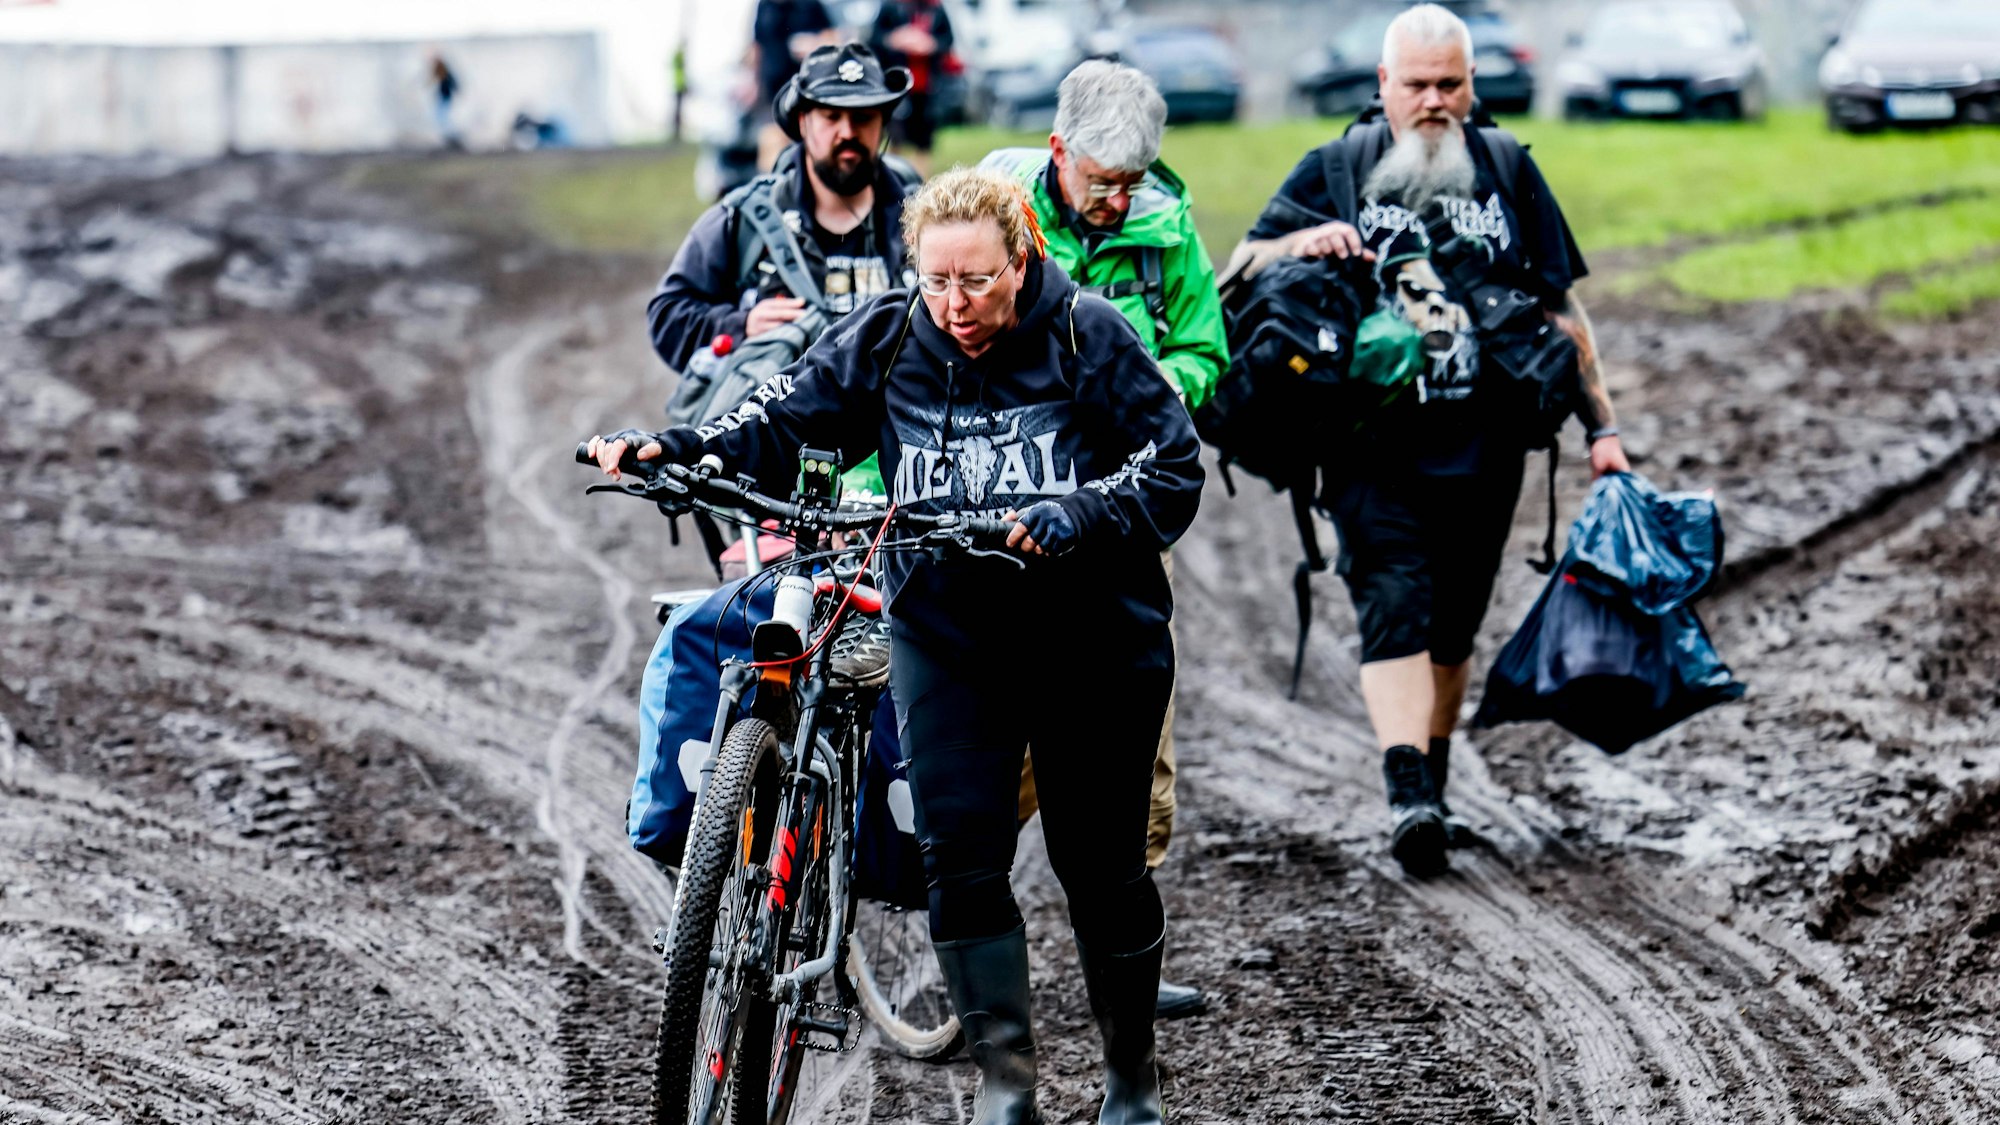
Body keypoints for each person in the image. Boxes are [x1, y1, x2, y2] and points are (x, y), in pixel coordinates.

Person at [590, 165, 1203, 1125]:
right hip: (953, 641)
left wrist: (1078, 511)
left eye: (978, 281)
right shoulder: (883, 337)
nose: (956, 305)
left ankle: (1132, 1082)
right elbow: (781, 418)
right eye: (937, 281)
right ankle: (1009, 1090)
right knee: (959, 861)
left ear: (1023, 258)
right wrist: (683, 448)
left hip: (1091, 642)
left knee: (1103, 869)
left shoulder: (1090, 334)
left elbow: (1173, 468)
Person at [1234, 3, 1631, 877]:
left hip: (1488, 445)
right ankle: (1407, 787)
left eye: (1451, 83)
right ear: (1384, 86)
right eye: (1417, 84)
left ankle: (1435, 780)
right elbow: (1241, 266)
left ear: (1472, 83)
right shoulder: (1335, 167)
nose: (1434, 100)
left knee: (1455, 622)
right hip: (1370, 446)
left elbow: (1562, 307)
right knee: (1394, 605)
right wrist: (1307, 238)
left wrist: (1603, 429)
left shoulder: (1504, 167)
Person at [982, 58, 1225, 1021]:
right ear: (1057, 155)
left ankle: (1127, 953)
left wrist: (1148, 387)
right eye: (1100, 180)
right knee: (997, 740)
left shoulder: (1170, 232)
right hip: (1002, 516)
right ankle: (970, 936)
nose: (1120, 200)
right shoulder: (995, 219)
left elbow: (1206, 351)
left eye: (1133, 181)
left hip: (1119, 519)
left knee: (1138, 743)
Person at [648, 42, 919, 503]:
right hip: (770, 472)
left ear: (883, 124)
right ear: (802, 122)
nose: (847, 132)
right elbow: (668, 314)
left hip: (905, 465)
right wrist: (739, 325)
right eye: (830, 117)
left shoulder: (927, 218)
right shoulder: (743, 218)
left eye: (863, 118)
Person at [869, 0, 956, 176]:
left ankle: (919, 180)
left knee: (924, 138)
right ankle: (892, 176)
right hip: (896, 84)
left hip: (927, 86)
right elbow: (874, 39)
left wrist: (930, 44)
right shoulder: (891, 6)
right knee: (895, 135)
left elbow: (948, 40)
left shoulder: (936, 8)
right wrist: (895, 39)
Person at [752, 0, 836, 170]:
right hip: (771, 91)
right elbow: (757, 46)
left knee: (808, 147)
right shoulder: (764, 5)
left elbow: (833, 39)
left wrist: (814, 44)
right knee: (770, 145)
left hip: (806, 91)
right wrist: (752, 80)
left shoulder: (810, 5)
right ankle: (772, 189)